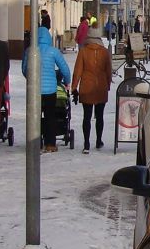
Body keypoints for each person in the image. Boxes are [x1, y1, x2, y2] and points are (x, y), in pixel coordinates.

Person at [22, 25, 71, 153]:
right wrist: (67, 82)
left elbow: (24, 69)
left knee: (35, 116)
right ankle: (50, 143)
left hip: (34, 90)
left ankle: (35, 142)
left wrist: (30, 79)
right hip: (50, 90)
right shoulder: (53, 51)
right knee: (50, 116)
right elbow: (65, 69)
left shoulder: (29, 50)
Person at [71, 26, 113, 151]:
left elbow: (77, 71)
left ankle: (86, 143)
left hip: (86, 87)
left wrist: (74, 87)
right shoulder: (105, 52)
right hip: (101, 87)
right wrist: (108, 85)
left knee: (87, 116)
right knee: (100, 116)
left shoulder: (83, 51)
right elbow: (108, 71)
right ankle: (98, 140)